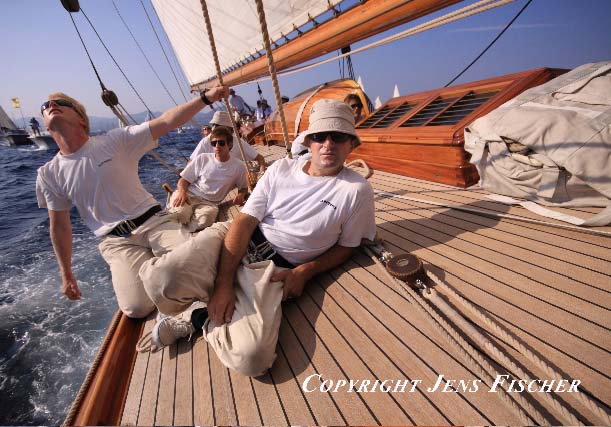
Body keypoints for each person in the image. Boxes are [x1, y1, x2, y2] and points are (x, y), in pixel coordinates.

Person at [139, 99, 376, 377]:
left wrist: (305, 271)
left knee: (253, 360)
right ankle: (211, 295)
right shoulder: (281, 170)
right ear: (309, 142)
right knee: (158, 280)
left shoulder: (356, 191)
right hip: (236, 237)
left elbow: (348, 246)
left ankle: (198, 315)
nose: (328, 144)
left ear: (351, 144)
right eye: (320, 136)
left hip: (272, 271)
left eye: (338, 136)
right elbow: (245, 220)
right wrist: (224, 283)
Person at [35, 86, 229, 318]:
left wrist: (205, 98)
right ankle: (162, 267)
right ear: (46, 125)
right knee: (136, 309)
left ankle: (210, 236)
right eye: (45, 107)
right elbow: (59, 226)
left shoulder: (114, 140)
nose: (52, 106)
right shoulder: (48, 174)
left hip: (154, 223)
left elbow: (166, 121)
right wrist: (66, 274)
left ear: (81, 119)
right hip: (117, 242)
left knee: (195, 267)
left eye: (61, 103)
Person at [171, 126, 248, 232]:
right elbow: (183, 180)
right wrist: (182, 192)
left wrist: (241, 194)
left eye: (221, 143)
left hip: (209, 204)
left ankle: (183, 232)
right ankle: (181, 225)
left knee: (204, 220)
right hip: (189, 195)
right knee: (179, 214)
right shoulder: (202, 158)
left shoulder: (239, 166)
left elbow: (243, 188)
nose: (217, 146)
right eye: (214, 143)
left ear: (230, 145)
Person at [190, 111, 267, 172]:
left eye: (216, 125)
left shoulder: (237, 142)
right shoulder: (205, 141)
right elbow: (191, 163)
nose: (214, 128)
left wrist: (261, 172)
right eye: (214, 125)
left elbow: (259, 158)